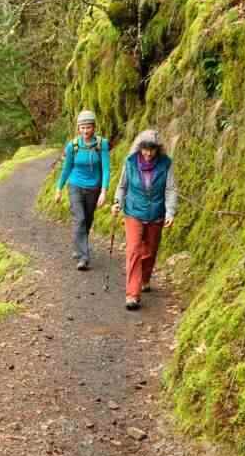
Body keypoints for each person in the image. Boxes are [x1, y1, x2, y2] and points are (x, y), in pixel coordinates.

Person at [112, 129, 177, 310]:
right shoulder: (130, 162)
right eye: (145, 149)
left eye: (152, 149)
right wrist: (117, 202)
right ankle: (132, 294)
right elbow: (122, 186)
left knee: (150, 251)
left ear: (158, 149)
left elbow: (170, 189)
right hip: (133, 212)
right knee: (133, 250)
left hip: (156, 213)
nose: (148, 153)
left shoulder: (166, 164)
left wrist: (170, 212)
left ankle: (145, 279)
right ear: (139, 148)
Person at [53, 110, 110, 270]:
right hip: (75, 185)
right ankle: (84, 257)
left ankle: (78, 245)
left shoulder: (101, 144)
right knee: (80, 218)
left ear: (94, 127)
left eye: (89, 127)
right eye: (82, 127)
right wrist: (58, 188)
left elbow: (106, 169)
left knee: (88, 219)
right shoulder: (73, 146)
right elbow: (66, 168)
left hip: (94, 187)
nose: (85, 131)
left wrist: (104, 191)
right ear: (78, 128)